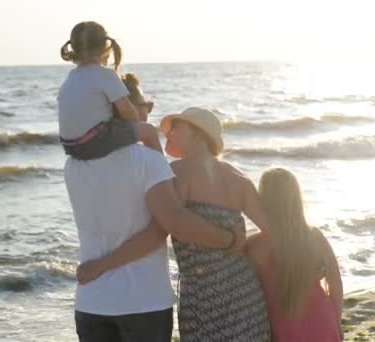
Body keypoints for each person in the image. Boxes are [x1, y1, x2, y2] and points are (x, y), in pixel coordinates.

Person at [59, 22, 244, 342]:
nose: (146, 114)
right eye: (144, 106)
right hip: (141, 303)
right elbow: (167, 225)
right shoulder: (146, 161)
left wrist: (99, 267)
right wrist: (230, 241)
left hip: (91, 303)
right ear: (119, 107)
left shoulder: (72, 166)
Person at [77, 107, 271, 342]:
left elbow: (156, 234)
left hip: (204, 299)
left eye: (177, 126)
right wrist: (239, 244)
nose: (168, 131)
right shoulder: (240, 178)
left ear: (199, 134)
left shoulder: (177, 173)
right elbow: (274, 233)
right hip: (246, 294)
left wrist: (101, 265)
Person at [247, 168, 344, 342]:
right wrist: (336, 320)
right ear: (296, 199)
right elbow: (335, 281)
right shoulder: (314, 236)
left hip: (284, 327)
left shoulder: (255, 246)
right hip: (323, 320)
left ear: (263, 200)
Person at [58, 21, 160, 161]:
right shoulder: (105, 74)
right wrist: (135, 127)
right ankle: (162, 171)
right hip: (93, 143)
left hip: (70, 146)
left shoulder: (71, 77)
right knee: (149, 131)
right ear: (105, 48)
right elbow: (127, 111)